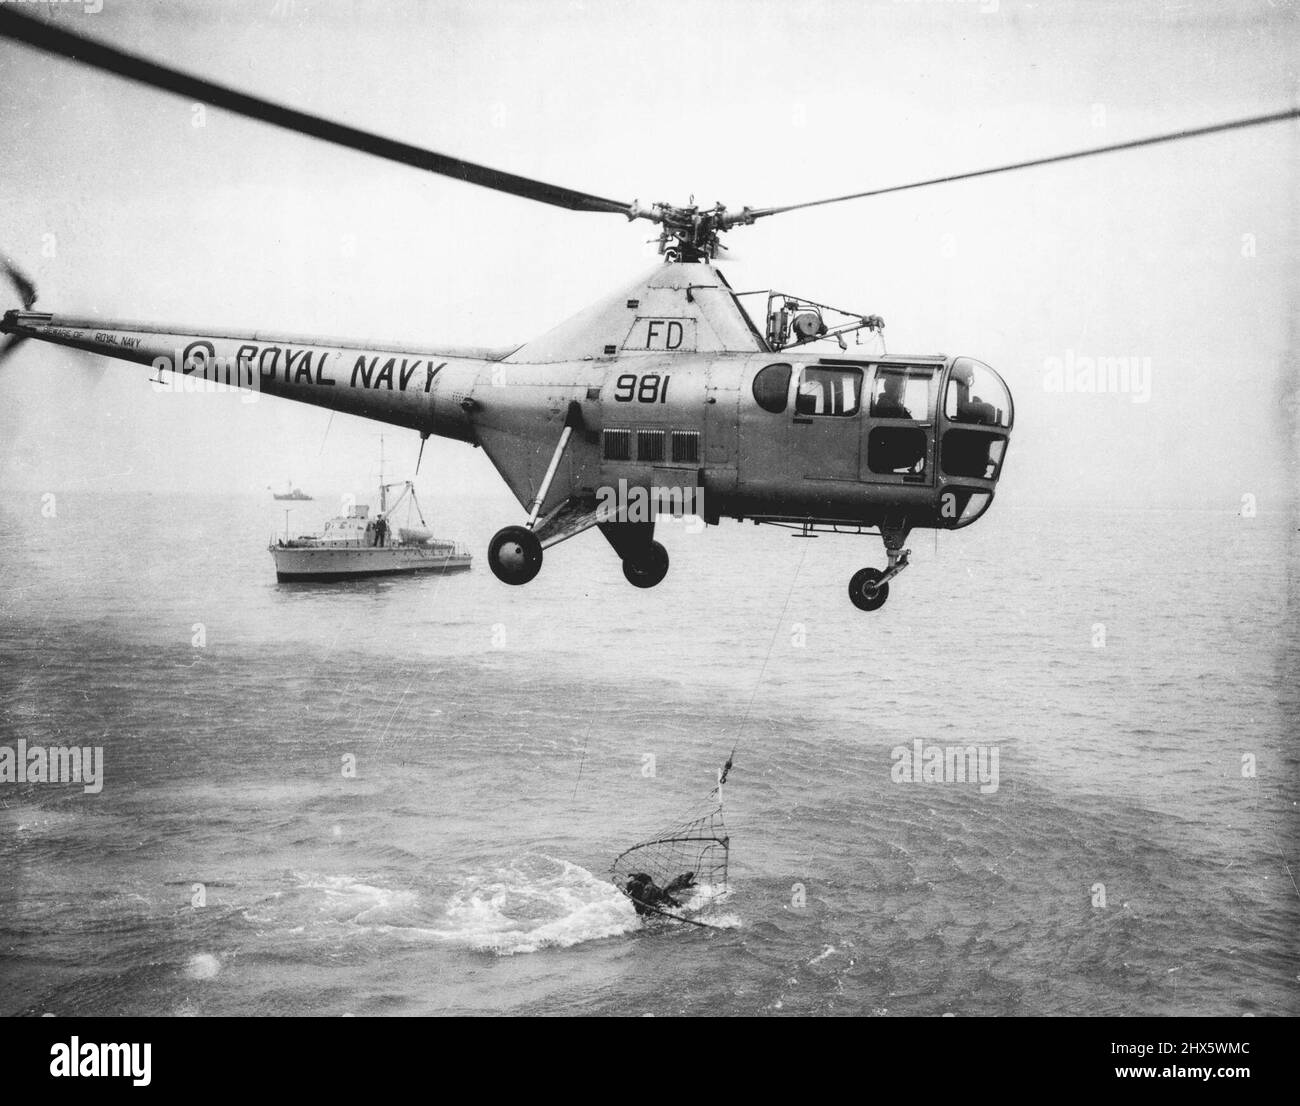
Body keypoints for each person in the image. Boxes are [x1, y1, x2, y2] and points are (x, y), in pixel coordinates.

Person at [625, 871, 696, 916]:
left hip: (667, 905)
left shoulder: (647, 890)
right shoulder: (647, 887)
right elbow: (647, 878)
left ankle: (684, 881)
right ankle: (683, 881)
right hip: (663, 900)